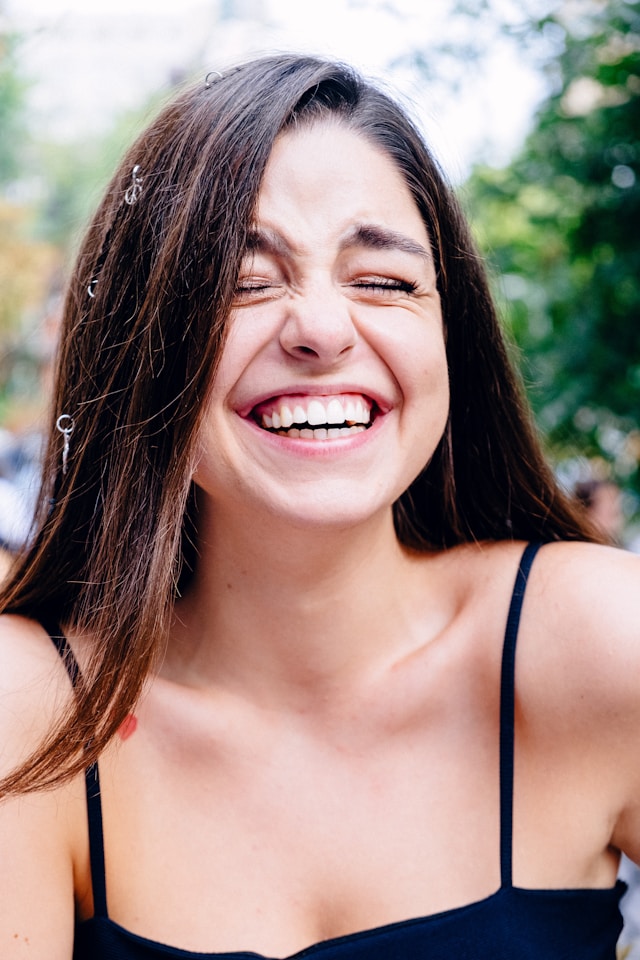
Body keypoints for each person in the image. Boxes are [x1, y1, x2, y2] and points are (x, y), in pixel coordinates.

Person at [0, 53, 639, 960]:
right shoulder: (33, 712)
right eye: (243, 282)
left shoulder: (593, 642)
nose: (322, 329)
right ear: (144, 344)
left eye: (382, 281)